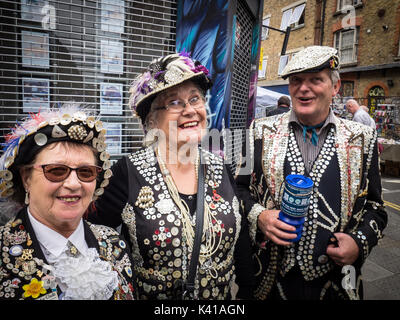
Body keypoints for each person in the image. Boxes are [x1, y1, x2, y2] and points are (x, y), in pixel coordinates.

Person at [88, 52, 254, 300]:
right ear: (152, 120)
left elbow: (239, 241)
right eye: (174, 103)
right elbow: (97, 243)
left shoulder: (222, 168)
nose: (190, 110)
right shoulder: (127, 173)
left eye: (195, 99)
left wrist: (248, 292)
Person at [235, 46, 387, 300]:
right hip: (269, 283)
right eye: (296, 81)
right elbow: (237, 190)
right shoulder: (258, 131)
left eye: (316, 80)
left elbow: (375, 206)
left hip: (336, 285)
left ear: (335, 87)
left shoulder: (363, 138)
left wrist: (359, 242)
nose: (303, 88)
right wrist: (259, 216)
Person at [0, 106, 136, 300]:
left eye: (85, 172)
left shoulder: (115, 243)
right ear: (26, 178)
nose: (73, 184)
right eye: (56, 171)